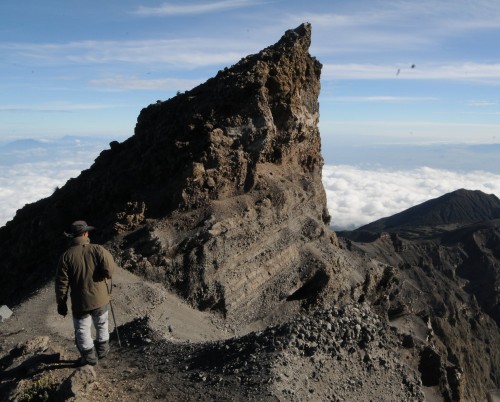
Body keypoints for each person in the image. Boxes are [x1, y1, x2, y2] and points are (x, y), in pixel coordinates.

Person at [55, 220, 118, 365]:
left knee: (83, 330)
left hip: (80, 303)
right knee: (102, 324)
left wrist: (61, 304)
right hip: (100, 298)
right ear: (85, 233)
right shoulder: (97, 249)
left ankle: (90, 359)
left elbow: (61, 284)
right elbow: (109, 271)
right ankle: (102, 352)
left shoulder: (65, 257)